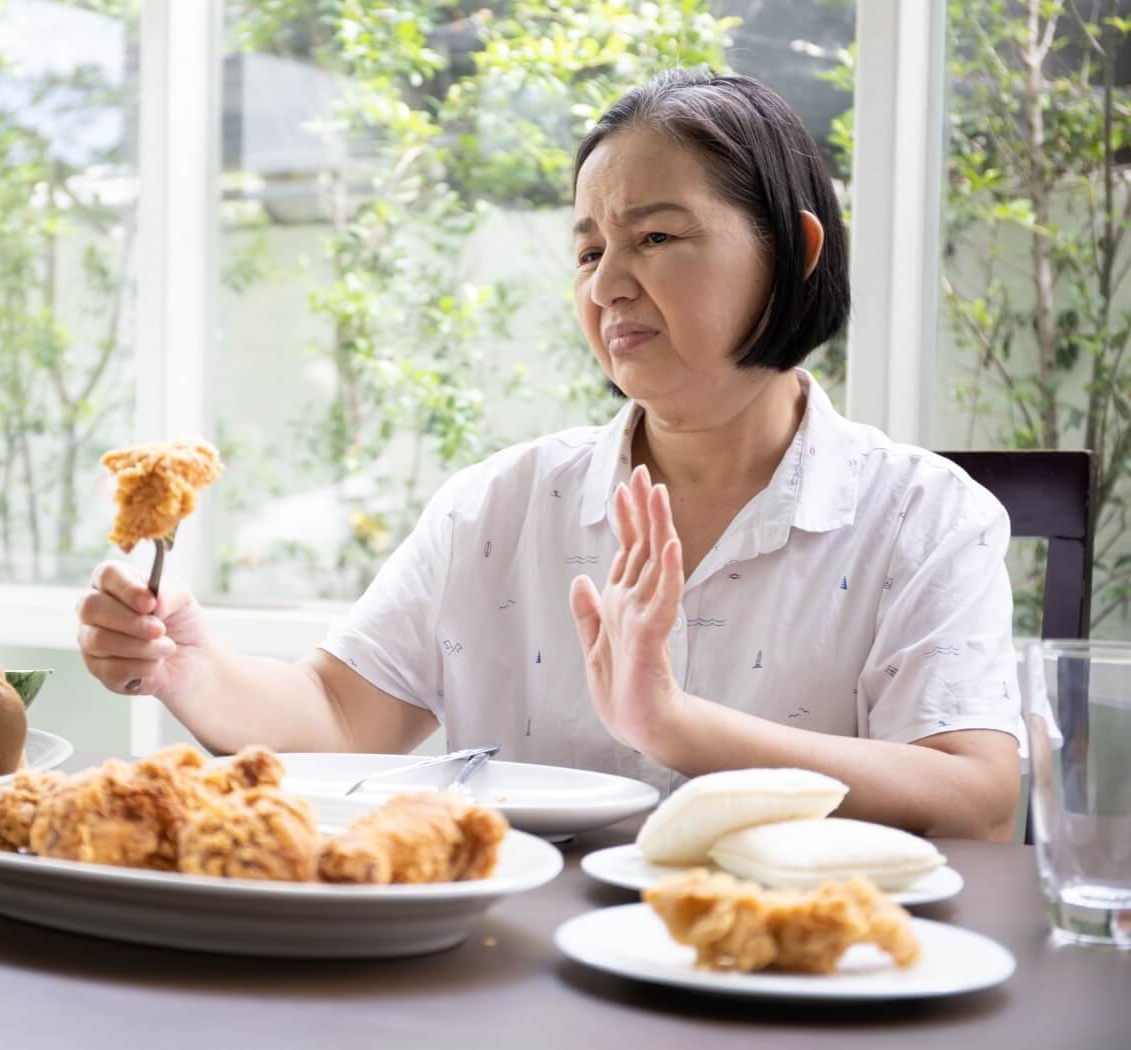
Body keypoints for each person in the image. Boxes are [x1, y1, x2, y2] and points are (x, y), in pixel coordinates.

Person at [76, 69, 1022, 841]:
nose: (609, 283)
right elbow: (338, 718)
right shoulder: (500, 505)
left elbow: (975, 798)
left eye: (655, 237)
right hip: (518, 970)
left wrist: (679, 728)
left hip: (791, 979)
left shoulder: (927, 519)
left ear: (796, 250)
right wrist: (186, 667)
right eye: (586, 251)